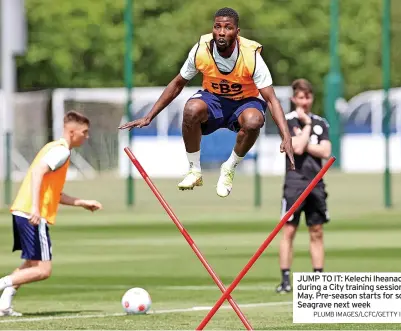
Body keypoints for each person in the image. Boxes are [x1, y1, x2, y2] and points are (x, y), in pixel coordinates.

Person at [119, 7, 295, 197]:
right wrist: (149, 116)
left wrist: (286, 136)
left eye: (228, 27)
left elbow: (271, 99)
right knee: (191, 109)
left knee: (254, 121)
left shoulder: (251, 56)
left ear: (237, 32)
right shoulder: (201, 50)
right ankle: (194, 170)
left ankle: (229, 167)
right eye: (217, 26)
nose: (221, 32)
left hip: (244, 103)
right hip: (214, 101)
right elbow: (177, 84)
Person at [0, 111, 103, 316]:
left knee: (30, 264)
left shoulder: (53, 148)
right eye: (85, 132)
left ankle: (4, 303)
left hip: (23, 211)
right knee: (43, 270)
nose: (87, 136)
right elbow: (38, 172)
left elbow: (54, 193)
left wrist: (82, 202)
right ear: (72, 132)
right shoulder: (61, 151)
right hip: (32, 214)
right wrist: (36, 209)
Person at [276, 79, 331, 293]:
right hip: (294, 182)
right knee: (289, 230)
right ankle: (285, 279)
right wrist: (306, 127)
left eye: (308, 97)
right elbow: (296, 148)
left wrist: (307, 133)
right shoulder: (288, 121)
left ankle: (318, 279)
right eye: (300, 98)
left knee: (316, 230)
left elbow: (326, 152)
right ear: (293, 99)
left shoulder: (321, 122)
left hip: (316, 182)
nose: (305, 101)